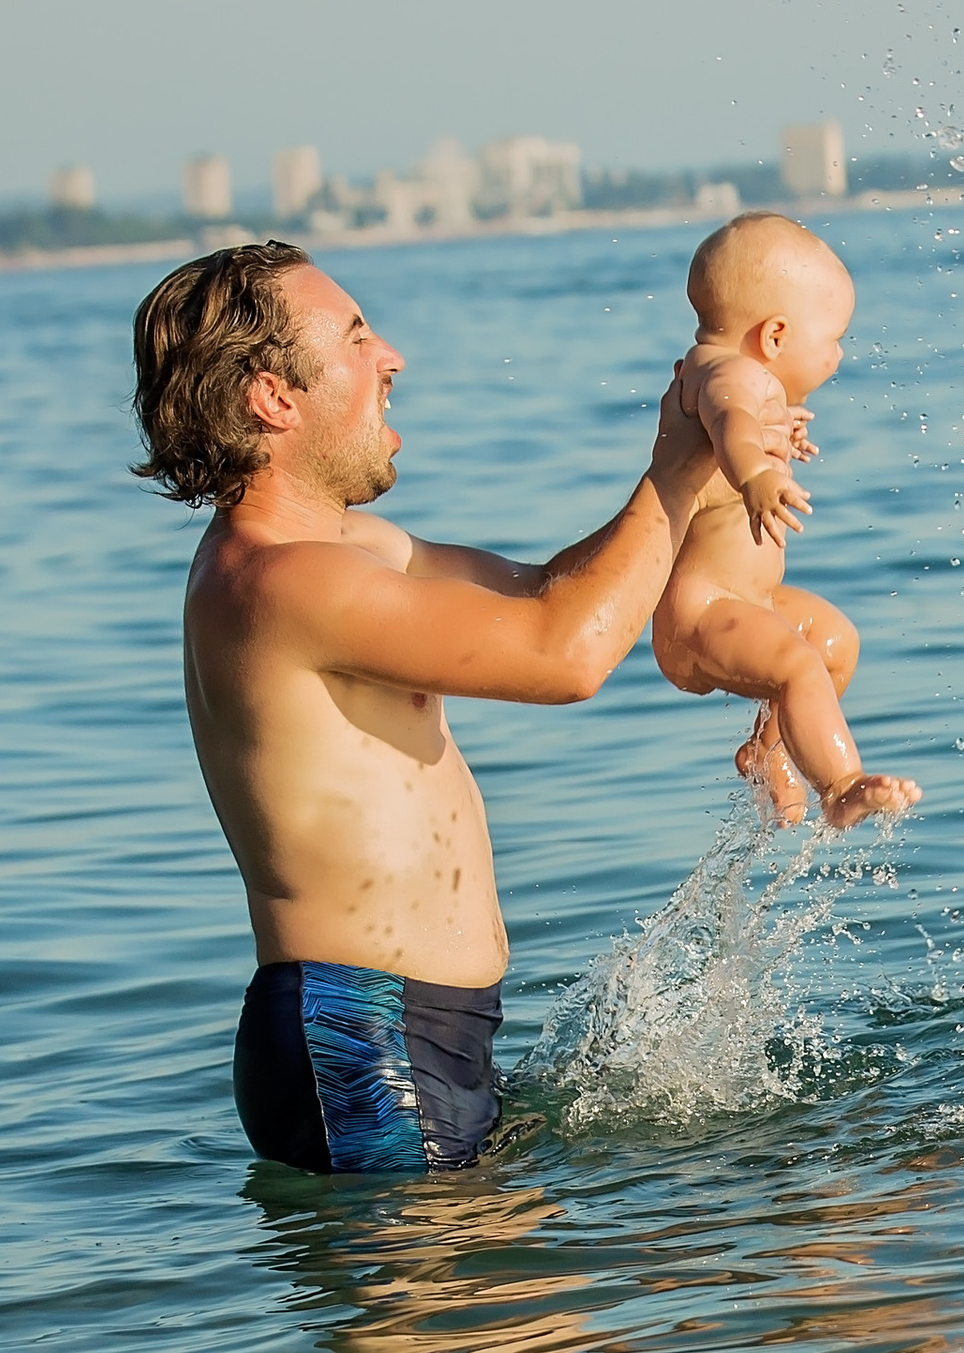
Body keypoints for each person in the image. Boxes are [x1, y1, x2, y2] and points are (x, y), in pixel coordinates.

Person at [130, 240, 719, 1175]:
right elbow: (564, 655)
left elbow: (553, 592)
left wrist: (705, 466)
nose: (391, 356)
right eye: (357, 338)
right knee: (485, 1321)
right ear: (272, 396)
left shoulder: (344, 547)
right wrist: (677, 468)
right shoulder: (284, 583)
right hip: (360, 1042)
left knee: (555, 1320)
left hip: (419, 1028)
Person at [650, 213, 921, 829]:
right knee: (800, 664)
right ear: (774, 336)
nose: (840, 354)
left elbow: (741, 422)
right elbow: (732, 423)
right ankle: (840, 784)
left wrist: (777, 435)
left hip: (745, 599)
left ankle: (767, 753)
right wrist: (758, 474)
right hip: (702, 612)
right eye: (833, 338)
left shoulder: (729, 374)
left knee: (836, 645)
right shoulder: (729, 375)